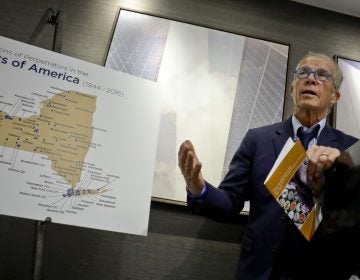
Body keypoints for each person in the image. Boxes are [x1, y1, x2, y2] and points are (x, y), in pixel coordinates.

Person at [178, 52, 358, 279]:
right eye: (303, 73)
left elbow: (351, 226)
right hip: (261, 271)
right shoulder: (258, 139)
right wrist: (198, 187)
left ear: (335, 96)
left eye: (322, 75)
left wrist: (337, 176)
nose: (311, 79)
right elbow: (230, 201)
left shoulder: (349, 148)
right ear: (293, 88)